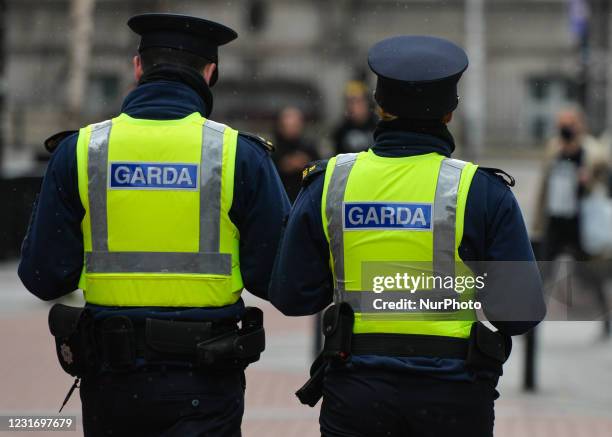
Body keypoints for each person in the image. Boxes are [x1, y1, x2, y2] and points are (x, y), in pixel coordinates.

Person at [18, 13, 290, 436]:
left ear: (137, 67)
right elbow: (277, 278)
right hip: (205, 379)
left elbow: (43, 276)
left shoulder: (82, 151)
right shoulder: (239, 156)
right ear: (210, 72)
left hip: (113, 383)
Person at [270, 35, 546, 437]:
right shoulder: (481, 192)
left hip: (357, 396)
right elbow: (520, 313)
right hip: (453, 397)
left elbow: (292, 296)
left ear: (380, 106)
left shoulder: (329, 182)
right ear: (450, 113)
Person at [533, 108, 610, 337]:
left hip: (579, 224)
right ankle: (529, 321)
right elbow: (544, 187)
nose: (565, 128)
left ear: (580, 125)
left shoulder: (592, 152)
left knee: (590, 273)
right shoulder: (553, 149)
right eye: (562, 124)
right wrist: (538, 222)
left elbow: (604, 180)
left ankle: (606, 317)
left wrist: (589, 177)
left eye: (570, 124)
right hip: (556, 222)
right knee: (543, 272)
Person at [272, 106, 319, 201]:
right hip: (281, 198)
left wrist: (306, 165)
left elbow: (318, 169)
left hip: (304, 198)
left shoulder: (309, 148)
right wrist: (285, 165)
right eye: (288, 125)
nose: (292, 129)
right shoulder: (273, 149)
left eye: (295, 125)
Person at [331, 80, 377, 154]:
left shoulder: (378, 126)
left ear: (367, 102)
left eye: (358, 101)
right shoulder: (341, 131)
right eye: (349, 102)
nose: (353, 106)